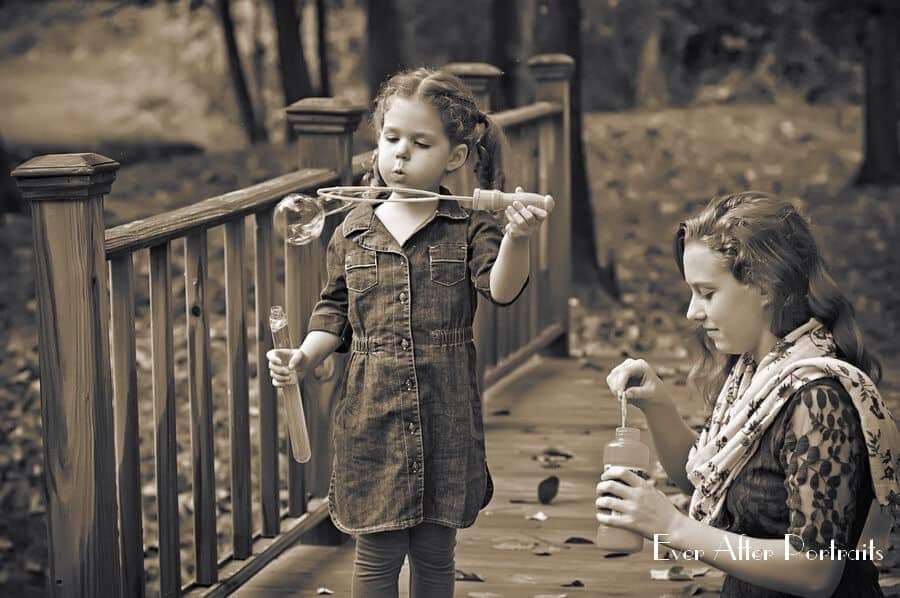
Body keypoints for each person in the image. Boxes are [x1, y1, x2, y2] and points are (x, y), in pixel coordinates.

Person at [268, 67, 552, 597]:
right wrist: (304, 358)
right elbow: (334, 310)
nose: (400, 154)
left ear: (455, 157)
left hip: (445, 413)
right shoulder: (352, 228)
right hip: (371, 417)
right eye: (390, 139)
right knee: (376, 556)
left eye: (420, 143)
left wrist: (517, 238)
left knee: (433, 553)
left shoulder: (470, 225)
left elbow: (502, 288)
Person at [599, 192, 899, 597]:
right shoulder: (757, 372)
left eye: (706, 293)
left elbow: (816, 570)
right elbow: (708, 482)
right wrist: (657, 405)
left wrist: (672, 527)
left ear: (765, 287)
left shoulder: (818, 398)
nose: (692, 312)